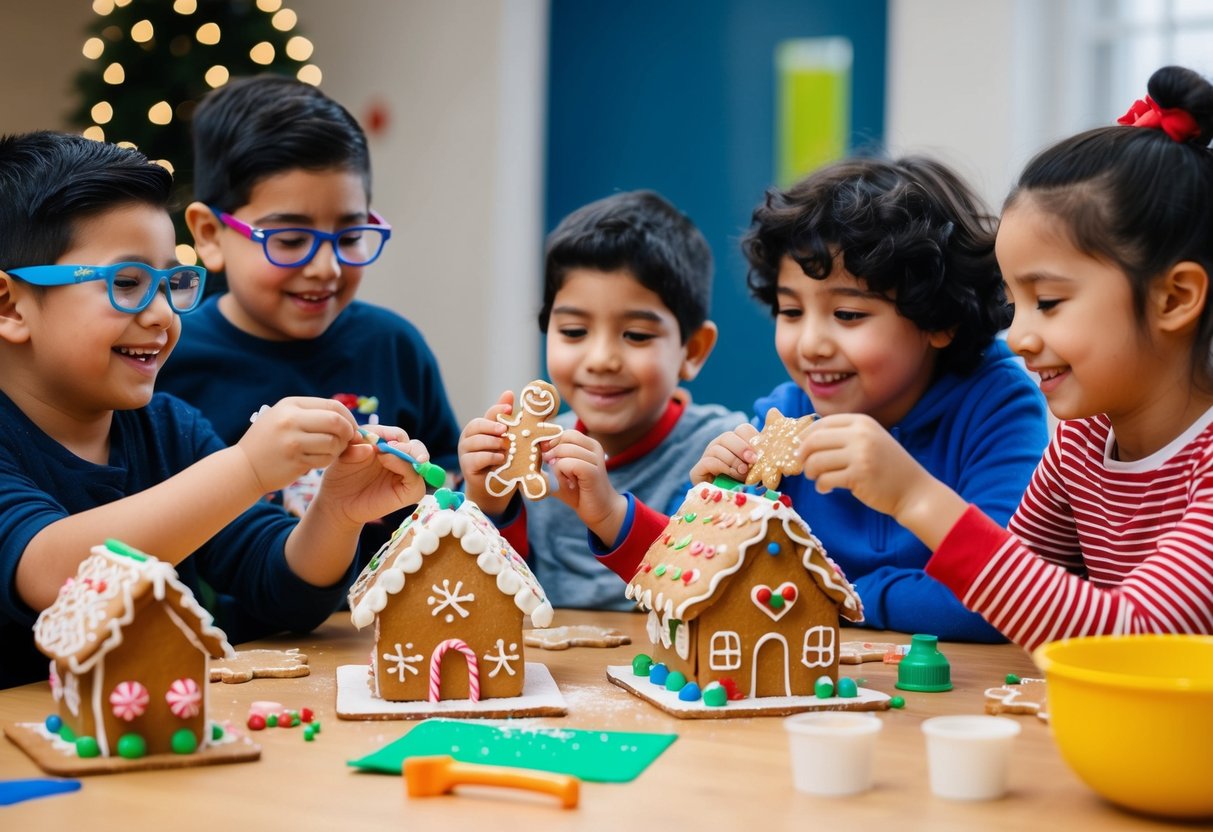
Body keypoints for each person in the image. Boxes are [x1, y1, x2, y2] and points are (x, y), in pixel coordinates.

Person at [789, 65, 1213, 651]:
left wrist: (916, 498)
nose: (1017, 337)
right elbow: (1003, 592)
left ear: (1175, 298)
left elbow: (1130, 638)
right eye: (1015, 304)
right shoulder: (1082, 443)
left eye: (1049, 301)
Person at [0, 131, 431, 688]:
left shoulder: (171, 429)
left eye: (170, 282)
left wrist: (336, 513)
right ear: (11, 306)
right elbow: (54, 573)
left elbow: (280, 587)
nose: (161, 314)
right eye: (126, 283)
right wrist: (248, 468)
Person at [691, 157, 1049, 641]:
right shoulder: (786, 412)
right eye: (791, 311)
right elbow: (712, 584)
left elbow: (1003, 598)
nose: (810, 343)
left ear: (939, 319)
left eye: (847, 313)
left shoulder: (998, 407)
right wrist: (714, 498)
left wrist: (848, 594)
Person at [157, 75, 460, 547]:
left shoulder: (394, 345)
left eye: (350, 235)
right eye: (291, 239)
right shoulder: (167, 357)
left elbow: (447, 481)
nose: (326, 267)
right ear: (210, 235)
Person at [459, 190, 746, 609]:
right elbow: (491, 596)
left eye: (637, 335)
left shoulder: (722, 453)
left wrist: (611, 513)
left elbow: (706, 589)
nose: (601, 359)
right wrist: (486, 502)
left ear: (693, 349)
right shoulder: (532, 453)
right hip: (555, 672)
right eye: (574, 332)